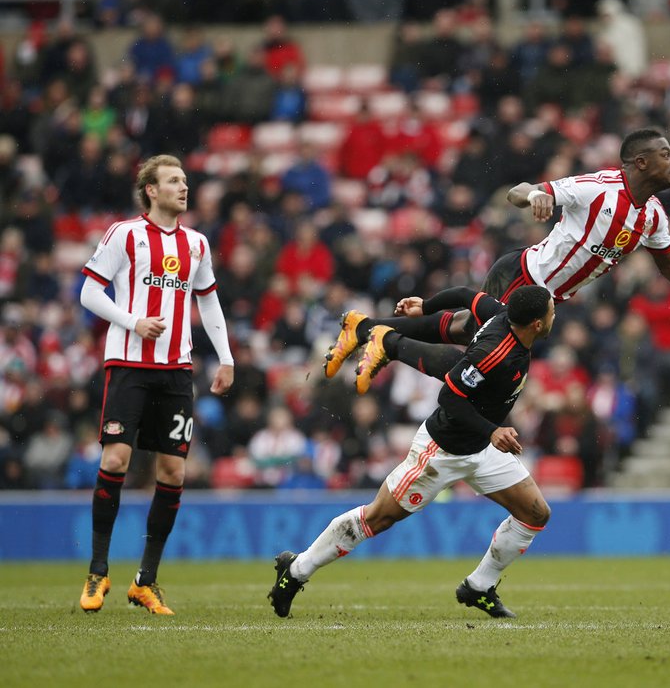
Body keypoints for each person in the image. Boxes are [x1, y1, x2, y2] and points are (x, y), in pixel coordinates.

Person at [322, 128, 670, 384]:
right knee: (476, 367)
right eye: (665, 155)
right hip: (521, 276)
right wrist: (536, 195)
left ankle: (365, 330)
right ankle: (381, 340)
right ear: (639, 163)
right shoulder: (598, 188)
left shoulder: (652, 216)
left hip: (542, 300)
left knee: (464, 336)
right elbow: (521, 192)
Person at [268, 285, 555, 619]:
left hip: (482, 448)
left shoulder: (502, 315)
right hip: (442, 451)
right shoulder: (495, 353)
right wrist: (493, 430)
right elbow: (449, 398)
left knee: (535, 513)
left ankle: (478, 586)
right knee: (378, 518)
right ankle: (297, 570)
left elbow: (465, 294)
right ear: (536, 323)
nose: (554, 315)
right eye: (551, 310)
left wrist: (428, 305)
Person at [78, 154, 235, 615]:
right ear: (151, 190)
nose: (183, 188)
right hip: (127, 363)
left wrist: (226, 358)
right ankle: (97, 572)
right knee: (117, 457)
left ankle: (145, 581)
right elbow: (89, 291)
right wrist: (132, 321)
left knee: (173, 473)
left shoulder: (198, 244)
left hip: (176, 371)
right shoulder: (124, 234)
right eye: (173, 181)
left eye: (185, 180)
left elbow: (208, 302)